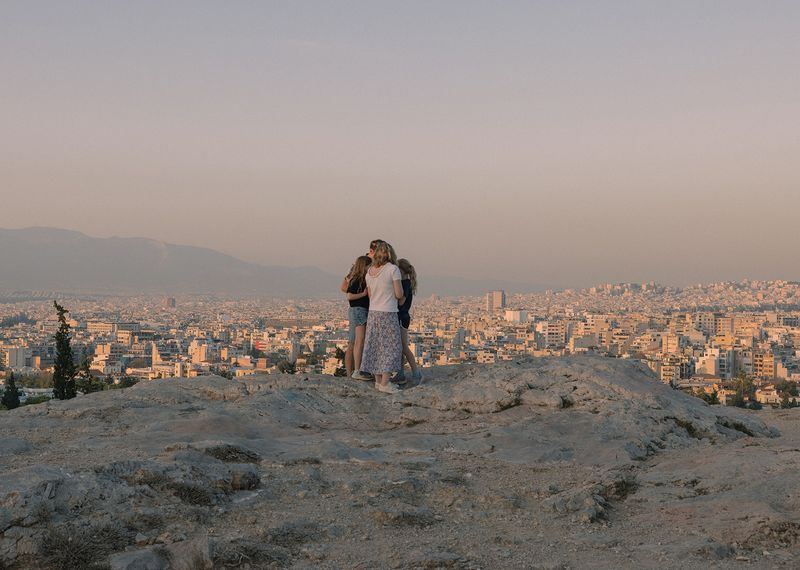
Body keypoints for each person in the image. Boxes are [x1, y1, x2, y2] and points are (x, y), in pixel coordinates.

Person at [359, 241, 405, 393]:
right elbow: (398, 294)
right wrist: (401, 297)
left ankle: (378, 381)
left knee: (376, 346)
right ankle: (385, 383)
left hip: (373, 313)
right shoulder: (393, 269)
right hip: (388, 312)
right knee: (392, 347)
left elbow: (371, 296)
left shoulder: (369, 272)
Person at [341, 255, 371, 378]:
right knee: (360, 340)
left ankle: (354, 371)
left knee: (355, 341)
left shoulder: (356, 278)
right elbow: (349, 296)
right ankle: (357, 371)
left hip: (357, 311)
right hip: (359, 310)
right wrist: (363, 294)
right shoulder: (358, 279)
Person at [396, 258, 422, 384]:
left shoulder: (404, 283)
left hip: (402, 316)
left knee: (404, 347)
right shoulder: (407, 283)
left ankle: (416, 373)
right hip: (403, 316)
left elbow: (401, 301)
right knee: (400, 347)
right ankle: (400, 373)